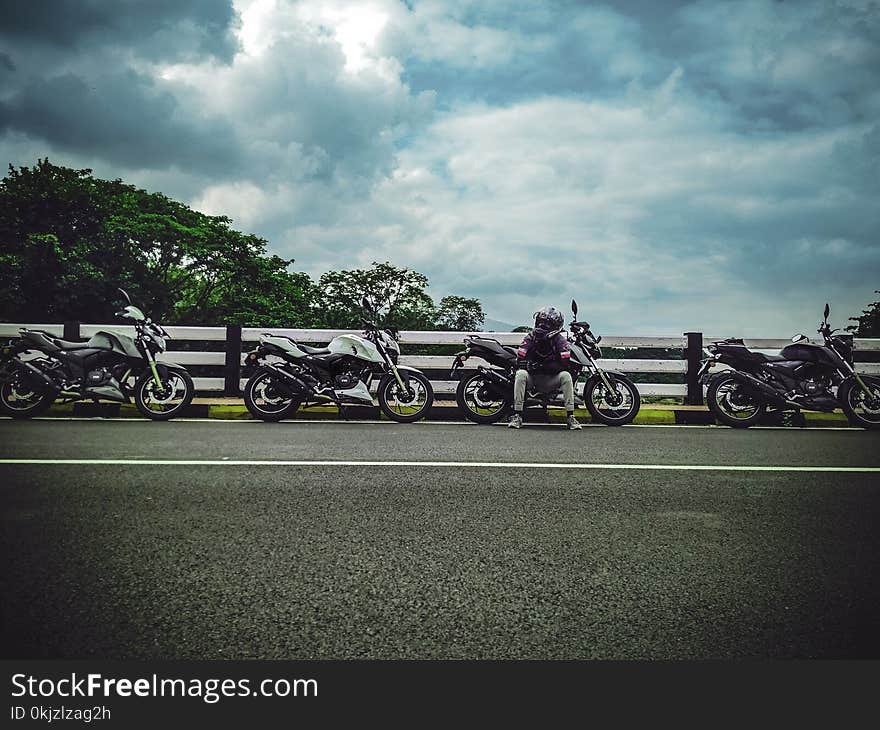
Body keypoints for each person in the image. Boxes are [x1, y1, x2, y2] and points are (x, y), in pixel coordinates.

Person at [508, 306, 581, 430]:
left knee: (566, 376)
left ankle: (570, 417)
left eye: (547, 324)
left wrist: (543, 366)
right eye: (542, 322)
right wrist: (529, 365)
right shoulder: (531, 337)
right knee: (520, 374)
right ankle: (517, 415)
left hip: (550, 379)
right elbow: (520, 358)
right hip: (534, 378)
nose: (543, 326)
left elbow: (565, 362)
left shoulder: (559, 340)